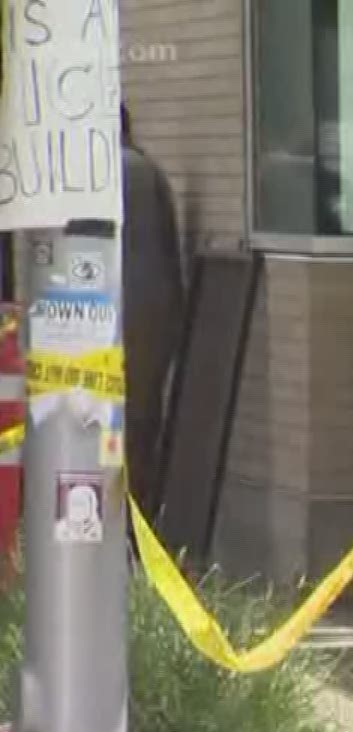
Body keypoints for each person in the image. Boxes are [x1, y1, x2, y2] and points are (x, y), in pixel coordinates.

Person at [120, 103, 186, 513]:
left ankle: (126, 519)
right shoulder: (146, 169)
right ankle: (137, 515)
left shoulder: (105, 173)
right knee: (142, 422)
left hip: (117, 320)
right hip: (152, 319)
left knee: (122, 426)